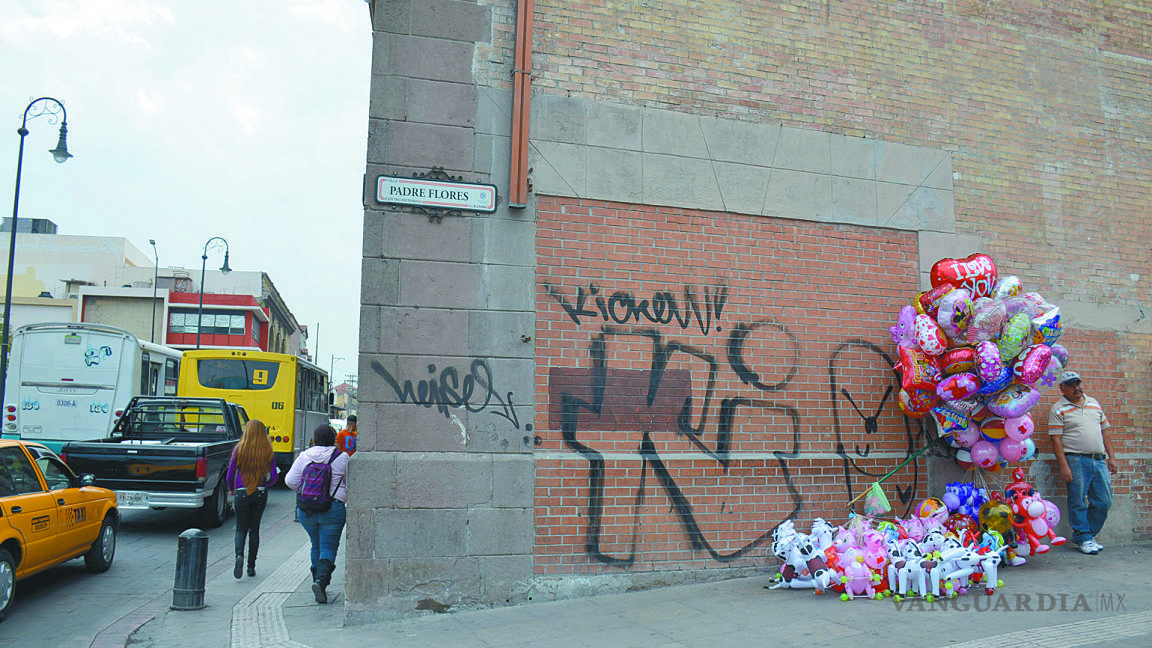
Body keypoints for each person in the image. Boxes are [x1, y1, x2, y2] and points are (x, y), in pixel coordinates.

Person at [1047, 370, 1118, 555]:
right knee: (1077, 500)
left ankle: (1085, 535)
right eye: (1071, 385)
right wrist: (1064, 465)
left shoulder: (1094, 403)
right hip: (1076, 460)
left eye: (1078, 383)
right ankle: (1084, 538)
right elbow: (1055, 440)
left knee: (1104, 501)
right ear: (1062, 389)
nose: (1076, 388)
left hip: (1099, 460)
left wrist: (1112, 457)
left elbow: (1106, 432)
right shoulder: (1058, 409)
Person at [285, 424, 349, 603]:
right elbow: (351, 482)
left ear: (315, 439)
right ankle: (321, 582)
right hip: (333, 509)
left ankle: (316, 580)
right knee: (328, 546)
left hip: (307, 511)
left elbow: (290, 481)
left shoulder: (305, 456)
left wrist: (309, 491)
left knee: (316, 545)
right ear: (333, 439)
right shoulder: (342, 457)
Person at [226, 419, 279, 578]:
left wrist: (231, 489)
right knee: (254, 529)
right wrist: (266, 482)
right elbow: (274, 477)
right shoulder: (267, 450)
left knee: (240, 528)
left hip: (241, 491)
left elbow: (230, 475)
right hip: (260, 492)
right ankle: (251, 567)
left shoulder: (239, 449)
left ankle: (239, 555)